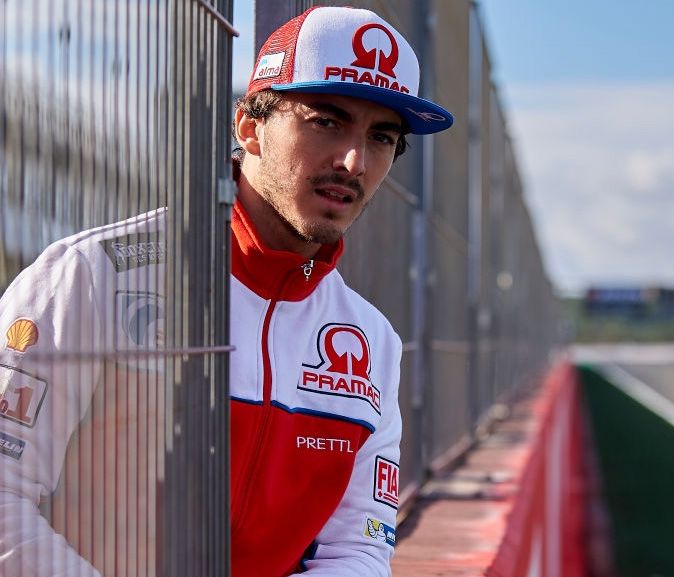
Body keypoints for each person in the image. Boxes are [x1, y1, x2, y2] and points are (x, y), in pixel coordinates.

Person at [0, 6, 453, 577]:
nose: (353, 161)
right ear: (248, 127)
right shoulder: (92, 275)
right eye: (327, 121)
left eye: (381, 137)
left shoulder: (372, 342)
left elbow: (358, 548)